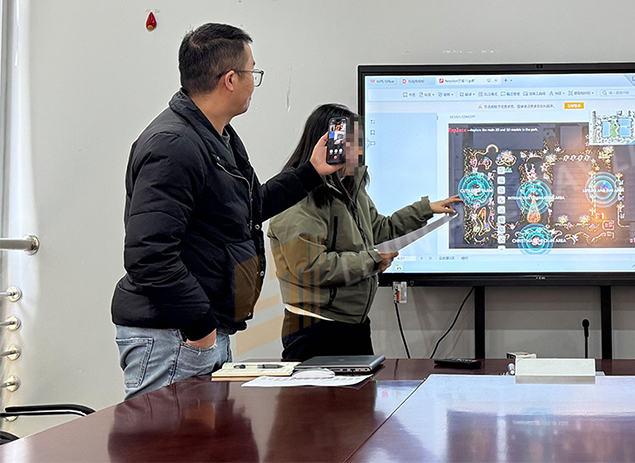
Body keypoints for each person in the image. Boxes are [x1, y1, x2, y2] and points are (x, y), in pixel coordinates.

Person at [111, 23, 341, 399]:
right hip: (175, 334)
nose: (254, 82)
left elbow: (249, 209)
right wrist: (201, 328)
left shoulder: (217, 137)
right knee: (167, 436)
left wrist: (311, 172)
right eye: (253, 71)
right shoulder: (173, 145)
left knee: (206, 436)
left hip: (197, 331)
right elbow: (149, 255)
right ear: (230, 80)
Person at [267, 104, 461, 361]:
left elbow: (379, 231)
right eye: (351, 144)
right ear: (325, 144)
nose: (358, 152)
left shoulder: (350, 187)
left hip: (353, 325)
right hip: (315, 328)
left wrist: (425, 210)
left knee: (364, 388)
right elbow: (311, 267)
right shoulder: (298, 197)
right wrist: (372, 259)